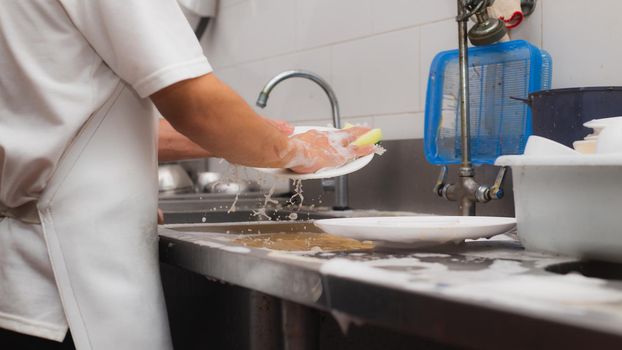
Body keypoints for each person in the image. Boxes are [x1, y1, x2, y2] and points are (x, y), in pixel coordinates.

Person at [0, 1, 372, 349]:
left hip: (23, 288)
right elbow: (195, 104)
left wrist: (265, 136)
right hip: (78, 290)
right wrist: (297, 151)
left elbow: (67, 124)